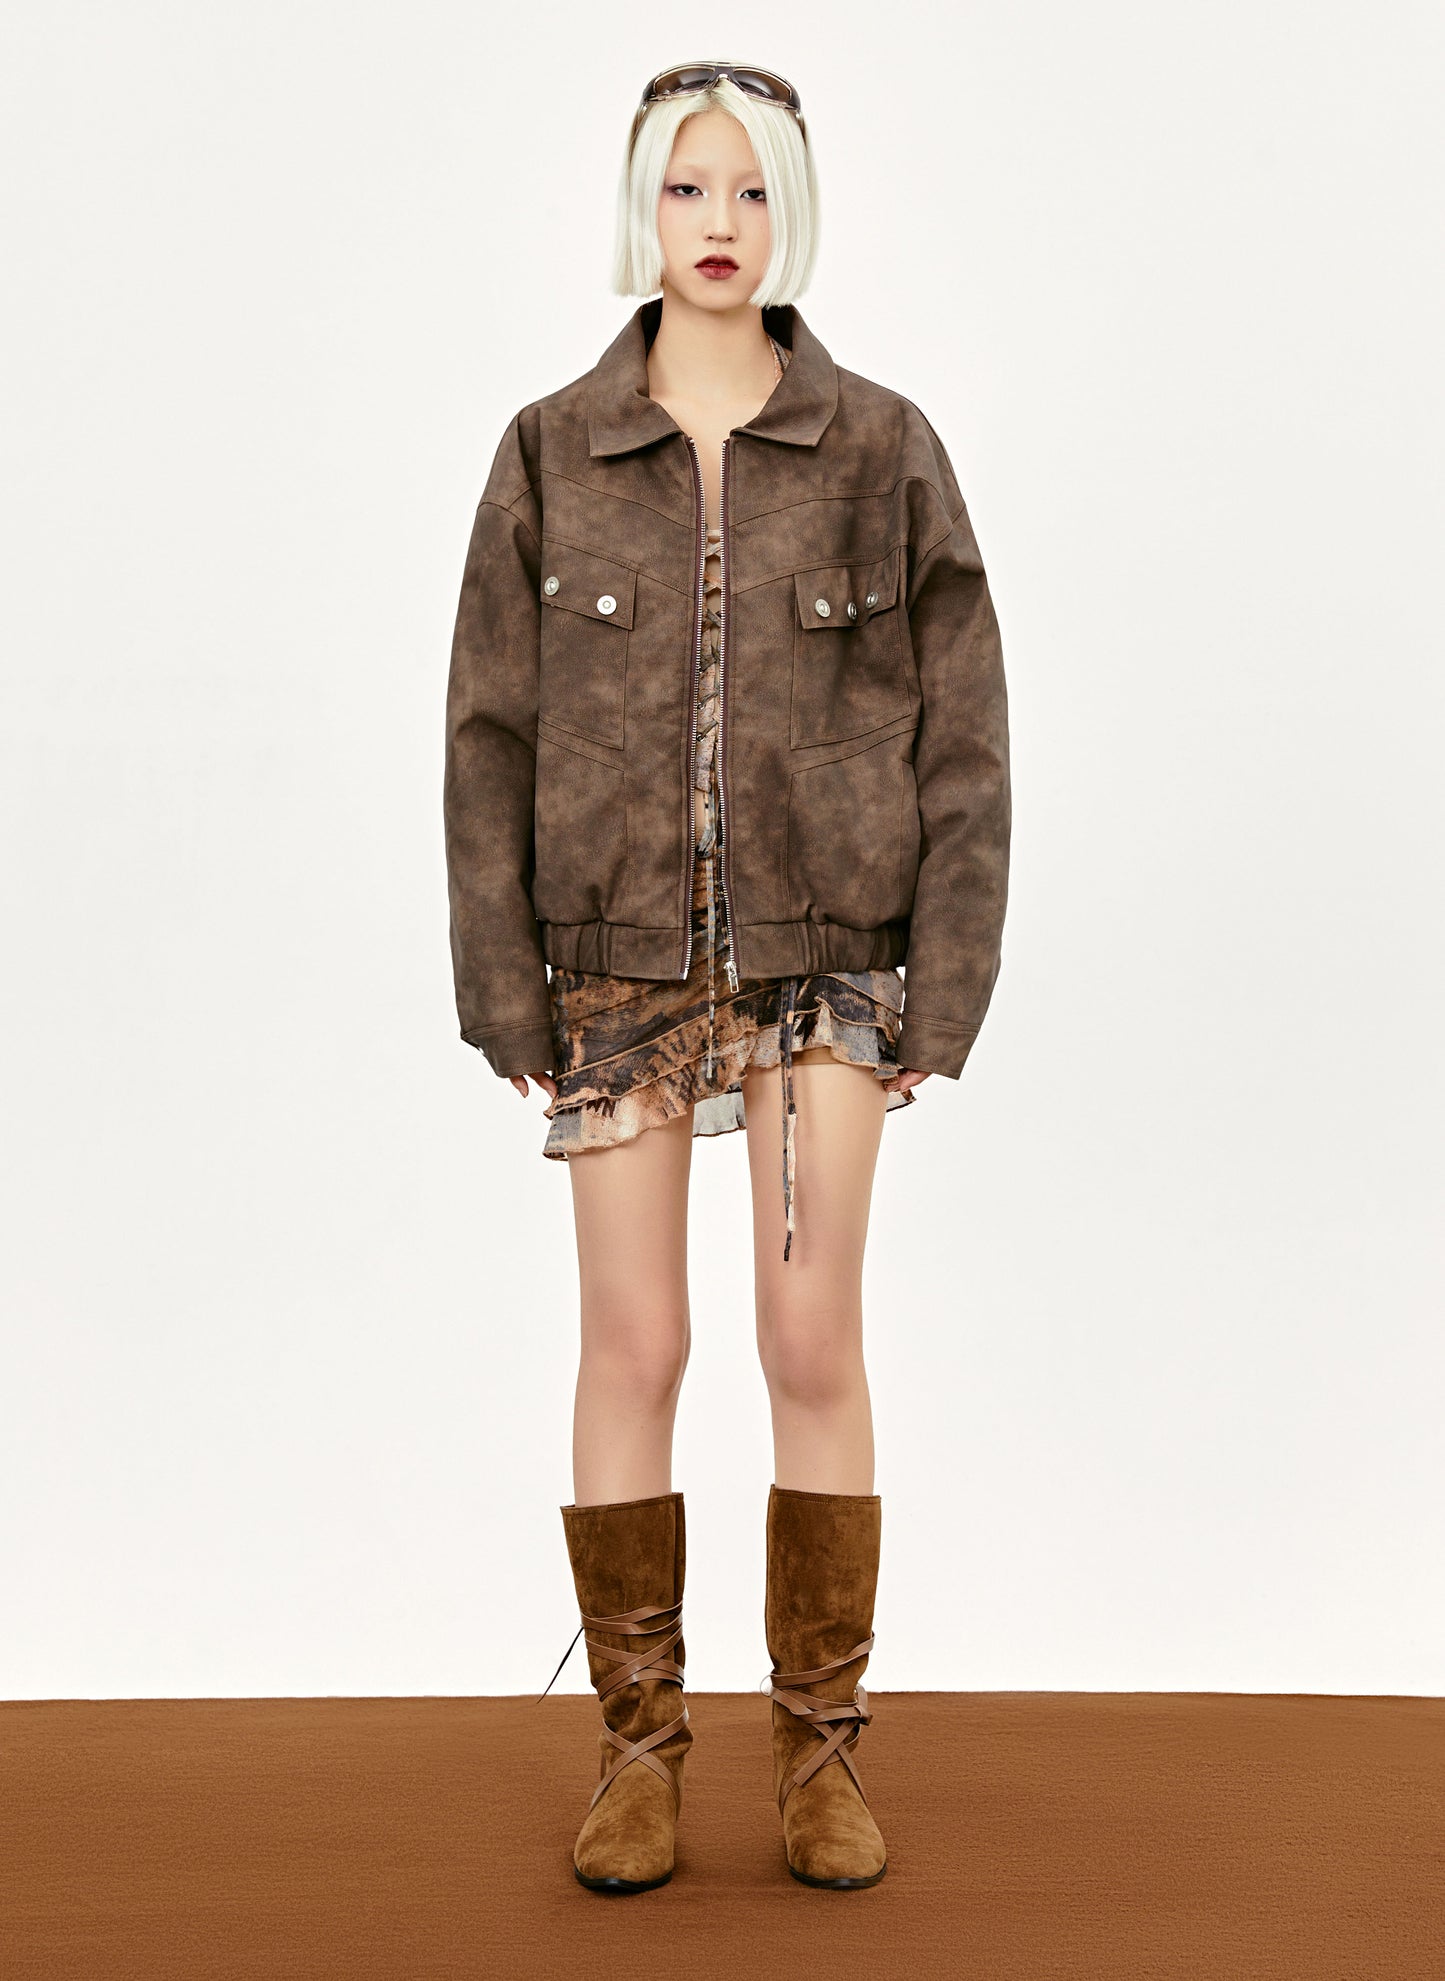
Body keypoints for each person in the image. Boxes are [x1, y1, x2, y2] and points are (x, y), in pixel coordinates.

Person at [443, 59, 1011, 1895]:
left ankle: (820, 1753)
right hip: (613, 967)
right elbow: (486, 735)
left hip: (823, 966)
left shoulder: (883, 448)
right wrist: (503, 984)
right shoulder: (548, 450)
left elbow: (964, 736)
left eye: (750, 189)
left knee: (807, 1338)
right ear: (643, 203)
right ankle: (636, 1749)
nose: (717, 223)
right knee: (635, 1342)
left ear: (791, 209)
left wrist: (945, 980)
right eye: (687, 187)